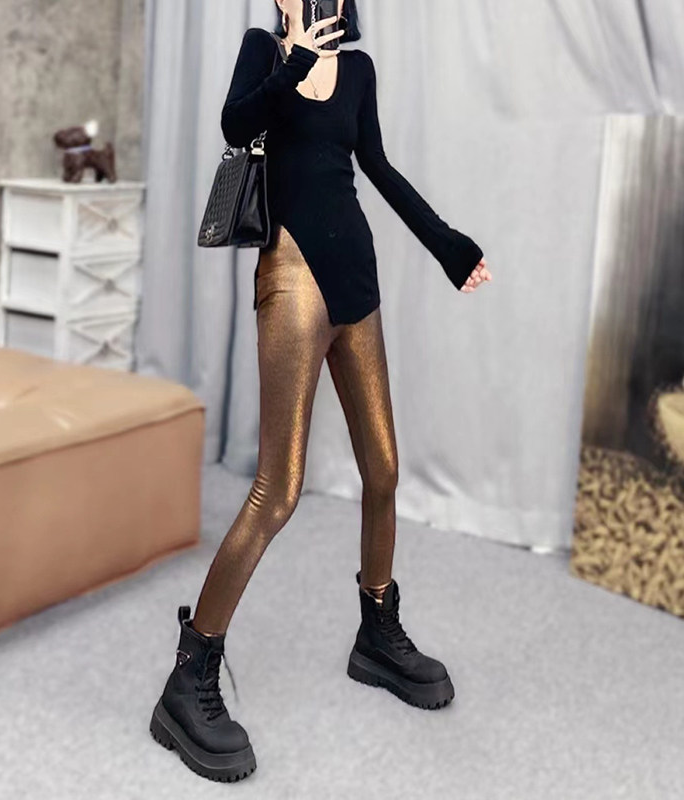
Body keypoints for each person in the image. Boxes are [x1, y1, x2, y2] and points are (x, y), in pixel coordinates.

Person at [150, 0, 491, 783]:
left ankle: (377, 632)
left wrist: (449, 247)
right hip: (293, 281)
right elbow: (237, 127)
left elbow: (379, 168)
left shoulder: (360, 71)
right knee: (278, 490)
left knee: (384, 471)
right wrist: (295, 60)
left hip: (356, 281)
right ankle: (188, 677)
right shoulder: (262, 52)